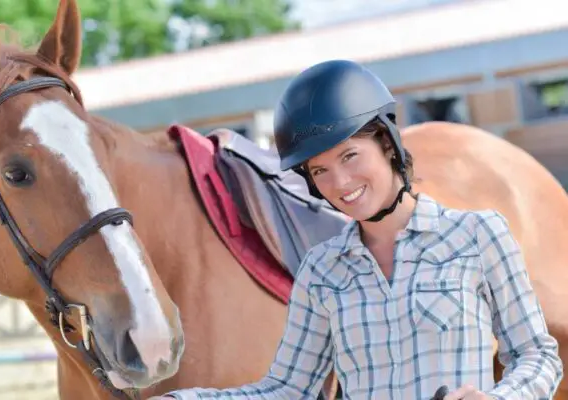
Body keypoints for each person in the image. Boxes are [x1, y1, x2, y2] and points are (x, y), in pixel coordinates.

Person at [151, 60, 563, 399]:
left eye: (350, 156)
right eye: (321, 171)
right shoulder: (321, 270)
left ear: (388, 144)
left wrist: (500, 399)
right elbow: (288, 389)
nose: (341, 183)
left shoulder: (477, 235)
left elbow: (537, 354)